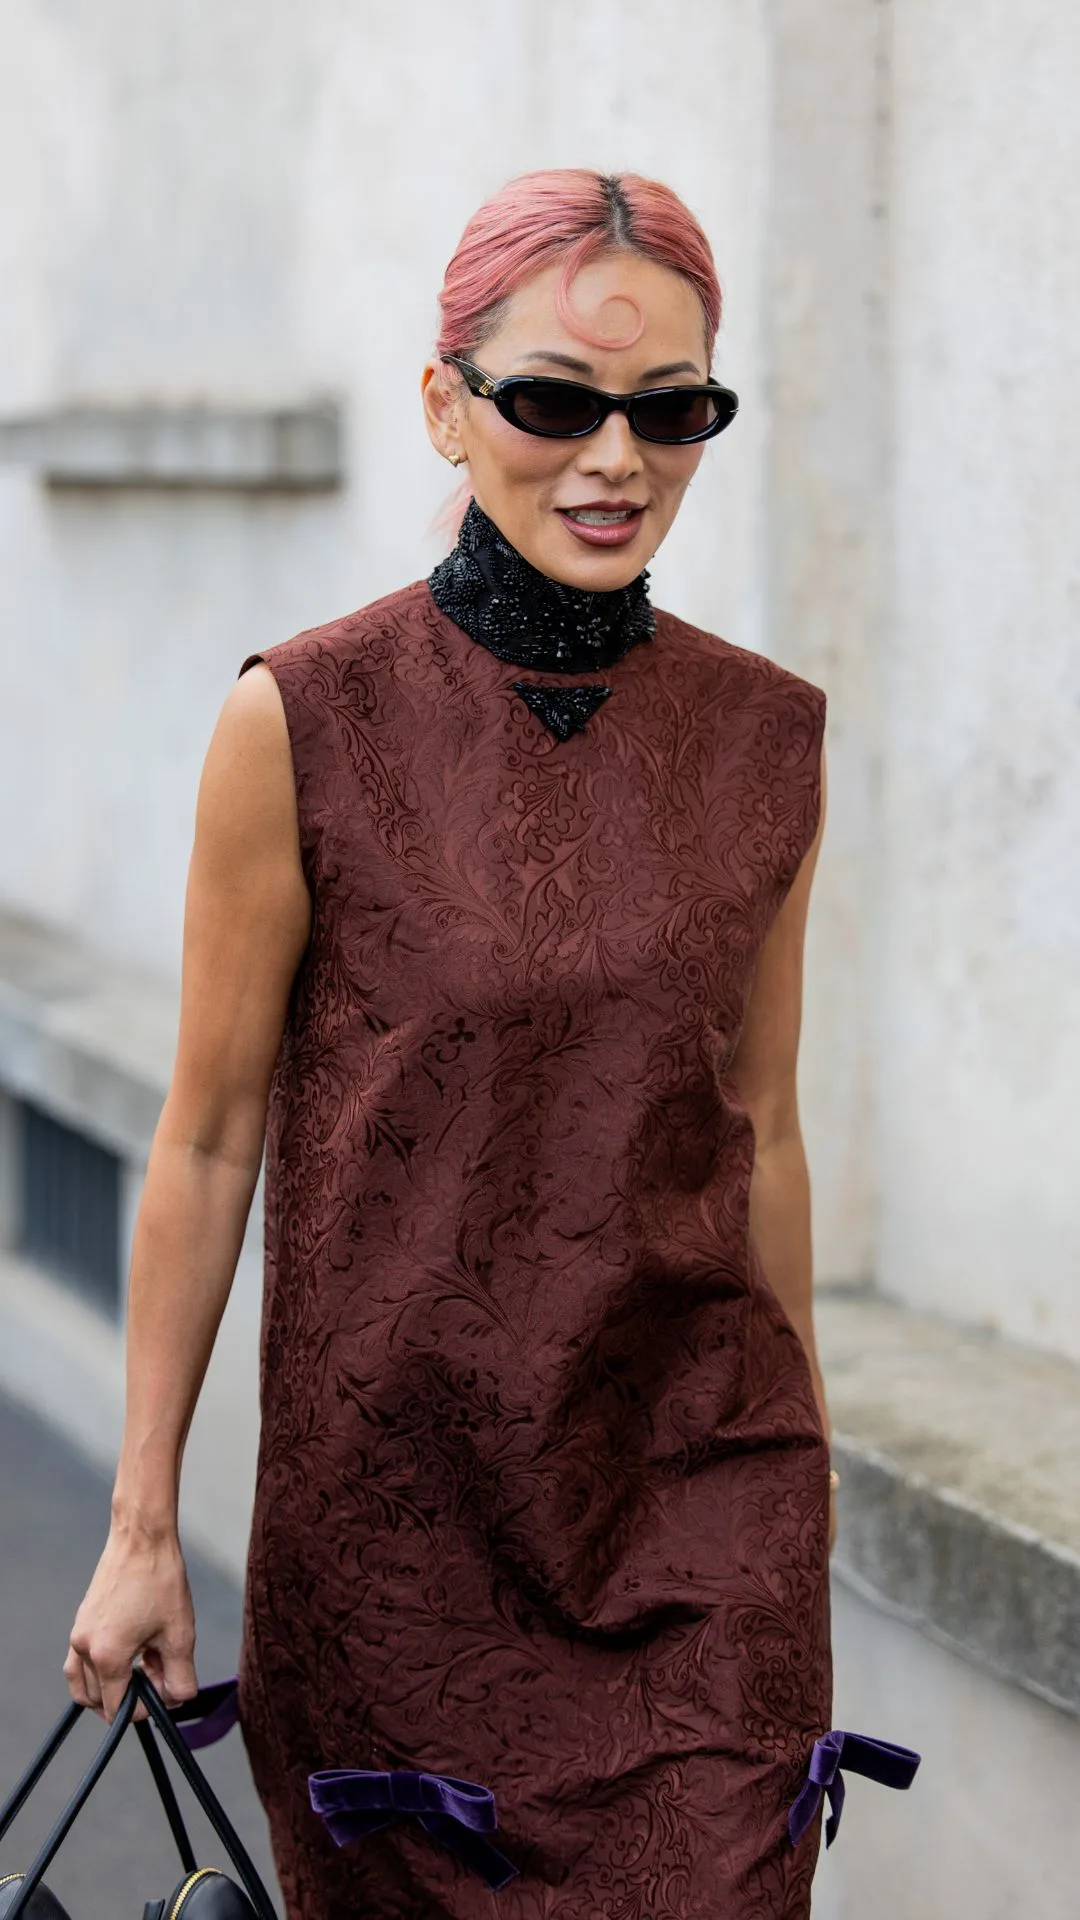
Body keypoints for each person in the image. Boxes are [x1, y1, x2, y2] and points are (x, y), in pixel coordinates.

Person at [64, 169, 842, 1918]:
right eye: (557, 402)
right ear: (446, 402)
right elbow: (204, 1140)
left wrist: (809, 1481)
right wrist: (139, 1526)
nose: (617, 460)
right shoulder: (302, 723)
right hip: (401, 1533)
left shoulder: (771, 743)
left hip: (698, 1516)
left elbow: (765, 1132)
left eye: (672, 410)